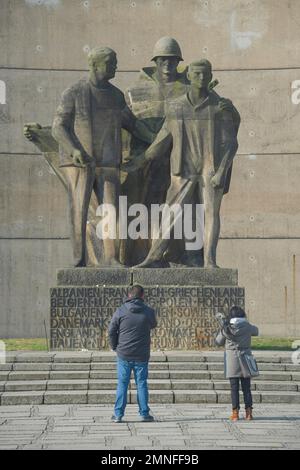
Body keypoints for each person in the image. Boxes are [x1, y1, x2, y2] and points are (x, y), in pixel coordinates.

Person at [122, 59, 239, 268]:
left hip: (210, 170)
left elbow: (231, 144)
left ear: (211, 76)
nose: (201, 78)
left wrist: (221, 172)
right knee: (171, 212)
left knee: (210, 213)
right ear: (190, 76)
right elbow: (162, 140)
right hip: (183, 168)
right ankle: (153, 256)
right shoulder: (177, 107)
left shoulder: (219, 106)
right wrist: (140, 160)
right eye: (197, 74)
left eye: (205, 74)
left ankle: (209, 260)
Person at [52, 47, 154, 267]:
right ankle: (79, 259)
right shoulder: (75, 92)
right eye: (111, 62)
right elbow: (58, 127)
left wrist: (157, 138)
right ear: (95, 65)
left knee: (111, 210)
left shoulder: (116, 96)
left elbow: (133, 124)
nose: (115, 66)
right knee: (79, 209)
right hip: (80, 162)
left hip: (108, 164)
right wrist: (74, 149)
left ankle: (112, 258)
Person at [108, 284, 157, 423]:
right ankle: (144, 414)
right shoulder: (148, 311)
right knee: (141, 383)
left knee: (122, 384)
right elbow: (153, 324)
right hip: (141, 354)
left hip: (124, 353)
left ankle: (118, 415)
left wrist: (115, 347)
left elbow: (111, 330)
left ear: (129, 295)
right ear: (142, 296)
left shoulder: (120, 311)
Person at [215, 306, 259, 421]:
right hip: (246, 359)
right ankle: (249, 413)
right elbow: (256, 331)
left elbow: (218, 341)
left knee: (234, 388)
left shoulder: (227, 328)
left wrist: (223, 326)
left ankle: (235, 413)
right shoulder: (248, 326)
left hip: (232, 361)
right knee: (246, 388)